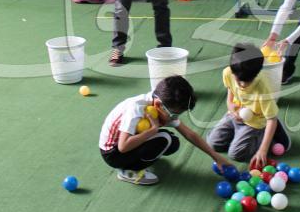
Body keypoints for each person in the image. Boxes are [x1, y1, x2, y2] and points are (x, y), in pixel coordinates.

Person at [98, 76, 233, 185]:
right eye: (174, 115)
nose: (175, 118)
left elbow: (189, 134)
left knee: (173, 143)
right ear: (158, 105)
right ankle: (129, 171)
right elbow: (123, 147)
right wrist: (152, 131)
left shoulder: (162, 102)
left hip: (126, 143)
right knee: (165, 139)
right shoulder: (137, 109)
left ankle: (140, 156)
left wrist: (216, 157)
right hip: (113, 153)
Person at [206, 43, 291, 169]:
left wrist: (263, 150)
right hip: (235, 116)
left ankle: (270, 135)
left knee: (236, 154)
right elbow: (230, 99)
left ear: (256, 73)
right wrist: (232, 109)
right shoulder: (228, 73)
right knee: (213, 143)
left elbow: (271, 120)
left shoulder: (262, 87)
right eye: (238, 80)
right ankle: (241, 136)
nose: (242, 85)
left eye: (247, 81)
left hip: (256, 122)